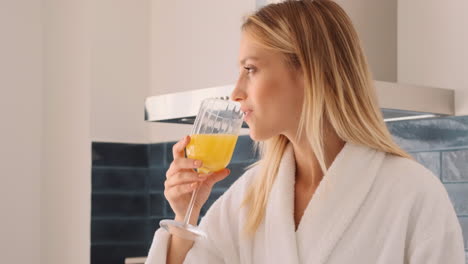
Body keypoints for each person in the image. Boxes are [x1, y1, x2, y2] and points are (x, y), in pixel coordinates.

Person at [146, 0, 465, 263]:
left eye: (251, 69)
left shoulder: (413, 194)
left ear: (309, 72)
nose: (236, 92)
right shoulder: (250, 197)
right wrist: (185, 214)